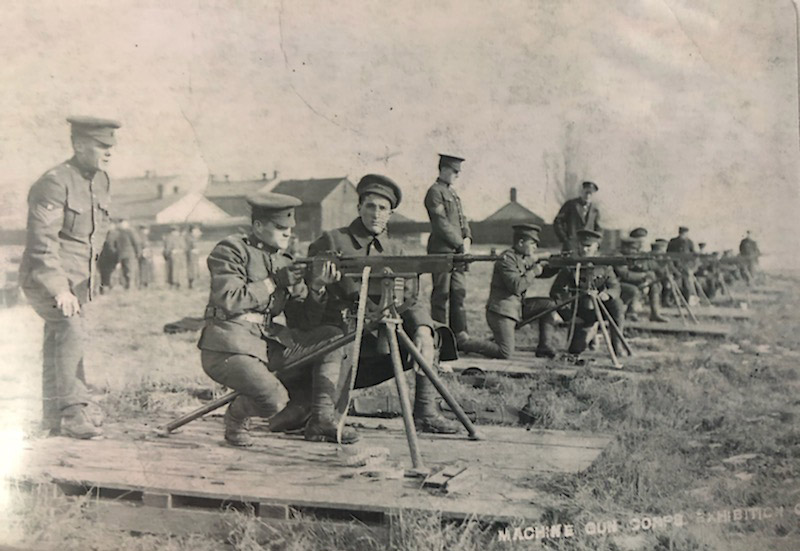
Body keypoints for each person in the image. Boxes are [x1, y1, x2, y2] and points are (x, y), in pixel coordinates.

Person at [289, 174, 461, 442]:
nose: (376, 214)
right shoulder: (332, 241)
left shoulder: (396, 250)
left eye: (383, 209)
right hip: (337, 349)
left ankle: (425, 412)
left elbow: (411, 300)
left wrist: (424, 328)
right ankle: (321, 418)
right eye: (370, 206)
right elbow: (305, 303)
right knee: (331, 341)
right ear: (359, 208)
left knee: (432, 336)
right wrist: (318, 285)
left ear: (391, 214)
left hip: (376, 347)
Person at [197, 193, 341, 447]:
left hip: (266, 344)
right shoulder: (231, 250)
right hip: (227, 346)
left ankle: (322, 419)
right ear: (258, 226)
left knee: (330, 336)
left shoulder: (284, 261)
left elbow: (304, 321)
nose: (288, 234)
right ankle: (235, 417)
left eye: (289, 229)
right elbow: (229, 299)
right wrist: (274, 282)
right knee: (273, 400)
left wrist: (317, 287)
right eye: (280, 228)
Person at [18, 115, 121, 438]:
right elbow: (42, 244)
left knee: (59, 340)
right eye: (101, 146)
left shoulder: (102, 180)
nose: (109, 152)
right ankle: (74, 410)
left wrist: (93, 280)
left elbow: (96, 238)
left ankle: (53, 416)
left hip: (78, 281)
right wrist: (60, 290)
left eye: (111, 147)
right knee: (70, 330)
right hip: (46, 277)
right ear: (78, 145)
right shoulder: (53, 182)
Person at [458, 224, 559, 359]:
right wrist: (534, 271)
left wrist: (558, 265)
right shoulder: (506, 259)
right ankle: (465, 342)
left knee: (549, 304)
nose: (535, 247)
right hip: (502, 312)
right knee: (505, 352)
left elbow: (543, 273)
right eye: (532, 243)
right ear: (521, 242)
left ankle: (544, 347)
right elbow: (516, 286)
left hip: (516, 308)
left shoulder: (522, 257)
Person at [550, 229, 624, 356]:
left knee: (617, 304)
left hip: (601, 307)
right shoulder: (570, 267)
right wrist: (570, 317)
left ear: (596, 247)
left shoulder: (604, 266)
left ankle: (617, 346)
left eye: (588, 246)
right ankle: (591, 332)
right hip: (580, 313)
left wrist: (607, 294)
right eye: (582, 245)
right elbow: (556, 293)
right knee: (575, 350)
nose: (584, 250)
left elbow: (615, 287)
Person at [424, 154, 472, 347]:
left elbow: (462, 218)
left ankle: (460, 335)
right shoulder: (434, 192)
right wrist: (460, 243)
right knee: (441, 295)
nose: (457, 175)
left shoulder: (452, 194)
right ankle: (441, 337)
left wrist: (467, 236)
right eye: (454, 171)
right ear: (443, 169)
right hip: (442, 251)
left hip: (458, 252)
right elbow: (441, 223)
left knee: (458, 293)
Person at [614, 234, 668, 323]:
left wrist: (648, 273)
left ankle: (655, 313)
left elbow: (649, 266)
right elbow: (625, 274)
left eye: (636, 249)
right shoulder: (618, 256)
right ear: (625, 247)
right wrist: (643, 275)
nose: (635, 251)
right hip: (616, 283)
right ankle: (631, 313)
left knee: (654, 285)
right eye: (633, 249)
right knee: (633, 290)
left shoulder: (633, 255)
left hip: (629, 281)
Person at [553, 181, 602, 253]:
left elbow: (599, 229)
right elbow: (558, 222)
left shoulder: (595, 210)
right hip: (571, 246)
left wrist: (597, 243)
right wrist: (565, 239)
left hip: (587, 249)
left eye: (590, 193)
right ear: (581, 192)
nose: (588, 196)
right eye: (586, 192)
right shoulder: (571, 204)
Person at [114, 218, 141, 290]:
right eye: (120, 223)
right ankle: (127, 286)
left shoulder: (131, 231)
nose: (121, 225)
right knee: (125, 271)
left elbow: (136, 243)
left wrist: (138, 253)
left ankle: (132, 287)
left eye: (123, 223)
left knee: (130, 271)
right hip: (122, 255)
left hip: (130, 254)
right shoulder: (119, 232)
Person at [97, 220, 119, 294]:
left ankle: (108, 287)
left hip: (110, 257)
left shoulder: (115, 234)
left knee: (108, 273)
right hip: (105, 257)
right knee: (105, 273)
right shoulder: (105, 234)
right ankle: (105, 288)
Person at [186, 224, 202, 289]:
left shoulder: (193, 237)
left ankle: (193, 283)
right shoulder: (189, 238)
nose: (198, 231)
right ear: (192, 230)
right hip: (191, 255)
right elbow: (186, 247)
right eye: (197, 230)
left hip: (194, 256)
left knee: (195, 269)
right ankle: (191, 284)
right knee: (191, 269)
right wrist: (192, 250)